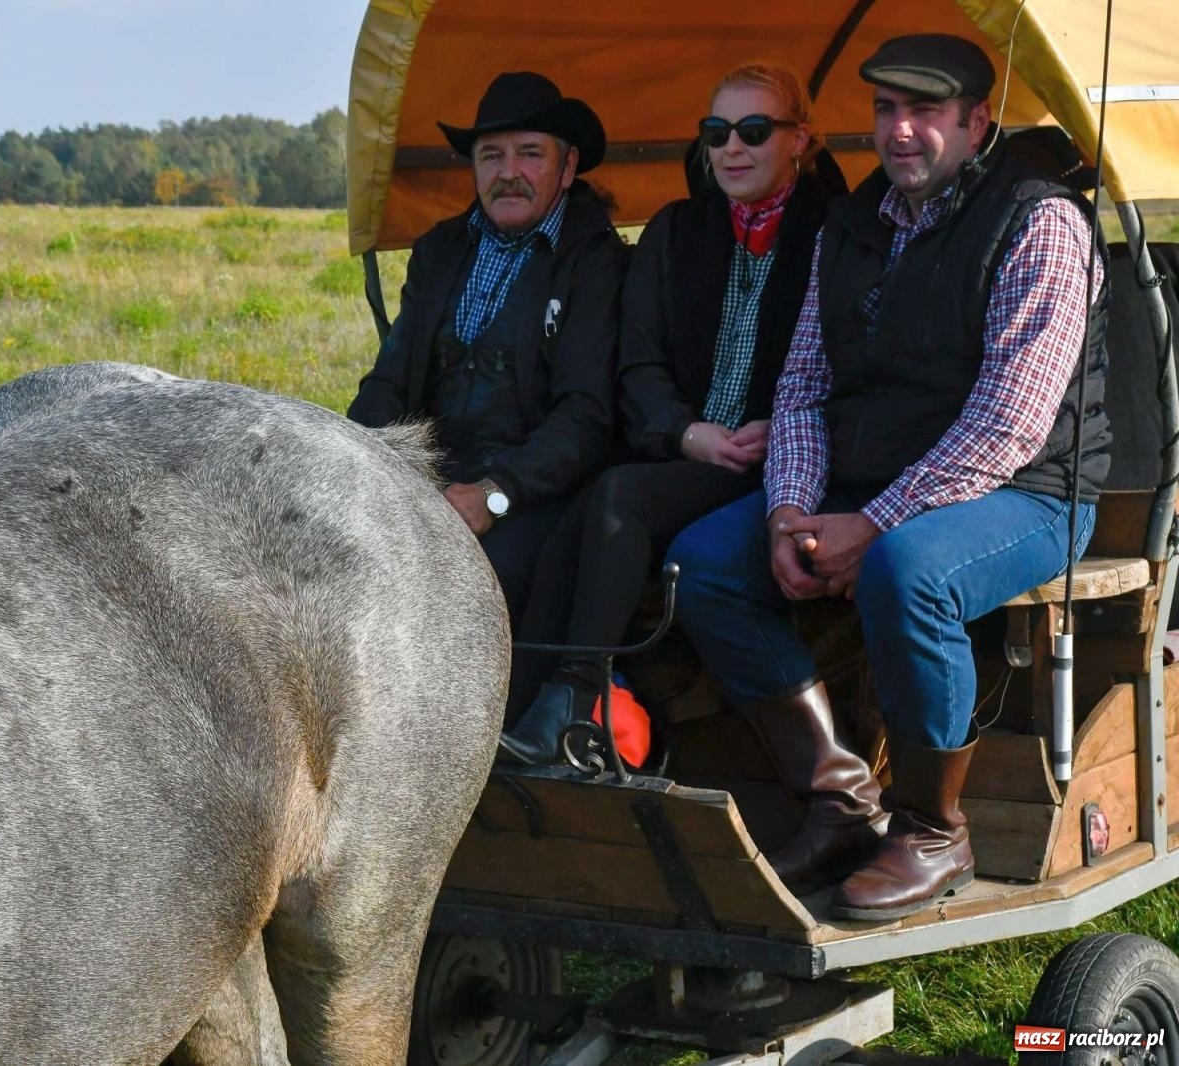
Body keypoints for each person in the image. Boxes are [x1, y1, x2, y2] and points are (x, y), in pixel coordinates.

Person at [666, 34, 1109, 920]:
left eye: (925, 112)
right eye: (883, 110)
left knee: (909, 572)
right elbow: (803, 385)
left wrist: (869, 524)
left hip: (1027, 491)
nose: (899, 132)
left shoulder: (1039, 219)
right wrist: (790, 510)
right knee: (703, 564)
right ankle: (838, 799)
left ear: (977, 120)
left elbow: (1008, 424)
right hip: (865, 487)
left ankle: (933, 828)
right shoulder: (856, 221)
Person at [499, 64, 846, 765]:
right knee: (572, 520)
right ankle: (517, 713)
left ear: (798, 140)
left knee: (620, 496)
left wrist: (786, 428)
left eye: (754, 131)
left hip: (789, 464)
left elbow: (857, 360)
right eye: (716, 134)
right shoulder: (678, 231)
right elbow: (639, 360)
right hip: (690, 448)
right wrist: (686, 432)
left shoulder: (836, 235)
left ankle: (576, 697)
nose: (732, 149)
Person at [347, 72, 627, 628]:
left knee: (471, 589)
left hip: (540, 490)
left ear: (567, 168)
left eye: (530, 155)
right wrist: (350, 456)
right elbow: (390, 381)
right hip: (434, 474)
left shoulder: (596, 262)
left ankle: (514, 712)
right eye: (491, 156)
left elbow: (586, 416)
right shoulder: (441, 251)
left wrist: (496, 493)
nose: (508, 174)